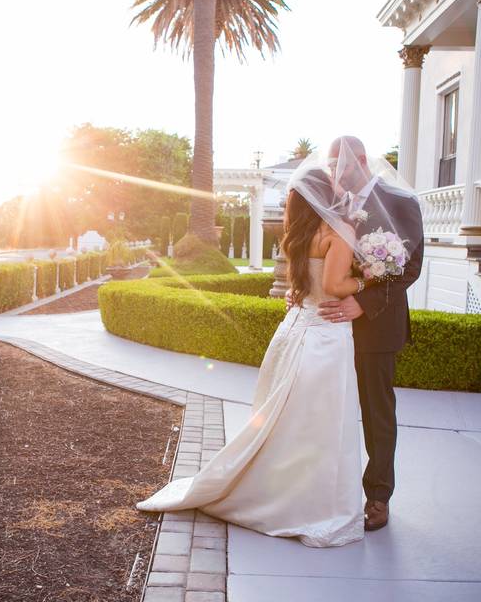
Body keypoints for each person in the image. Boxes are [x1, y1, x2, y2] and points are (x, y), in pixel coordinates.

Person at [136, 172, 366, 548]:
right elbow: (337, 285)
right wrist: (368, 280)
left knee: (288, 419)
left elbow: (299, 287)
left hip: (295, 328)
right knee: (321, 422)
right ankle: (308, 502)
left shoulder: (300, 235)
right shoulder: (338, 233)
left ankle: (278, 487)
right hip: (324, 336)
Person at [310, 136, 424, 531]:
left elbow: (409, 268)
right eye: (328, 166)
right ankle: (326, 490)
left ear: (360, 161)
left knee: (377, 414)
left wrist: (365, 302)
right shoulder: (334, 207)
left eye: (337, 165)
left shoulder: (400, 202)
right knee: (329, 409)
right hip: (330, 326)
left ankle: (378, 496)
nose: (331, 172)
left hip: (377, 325)